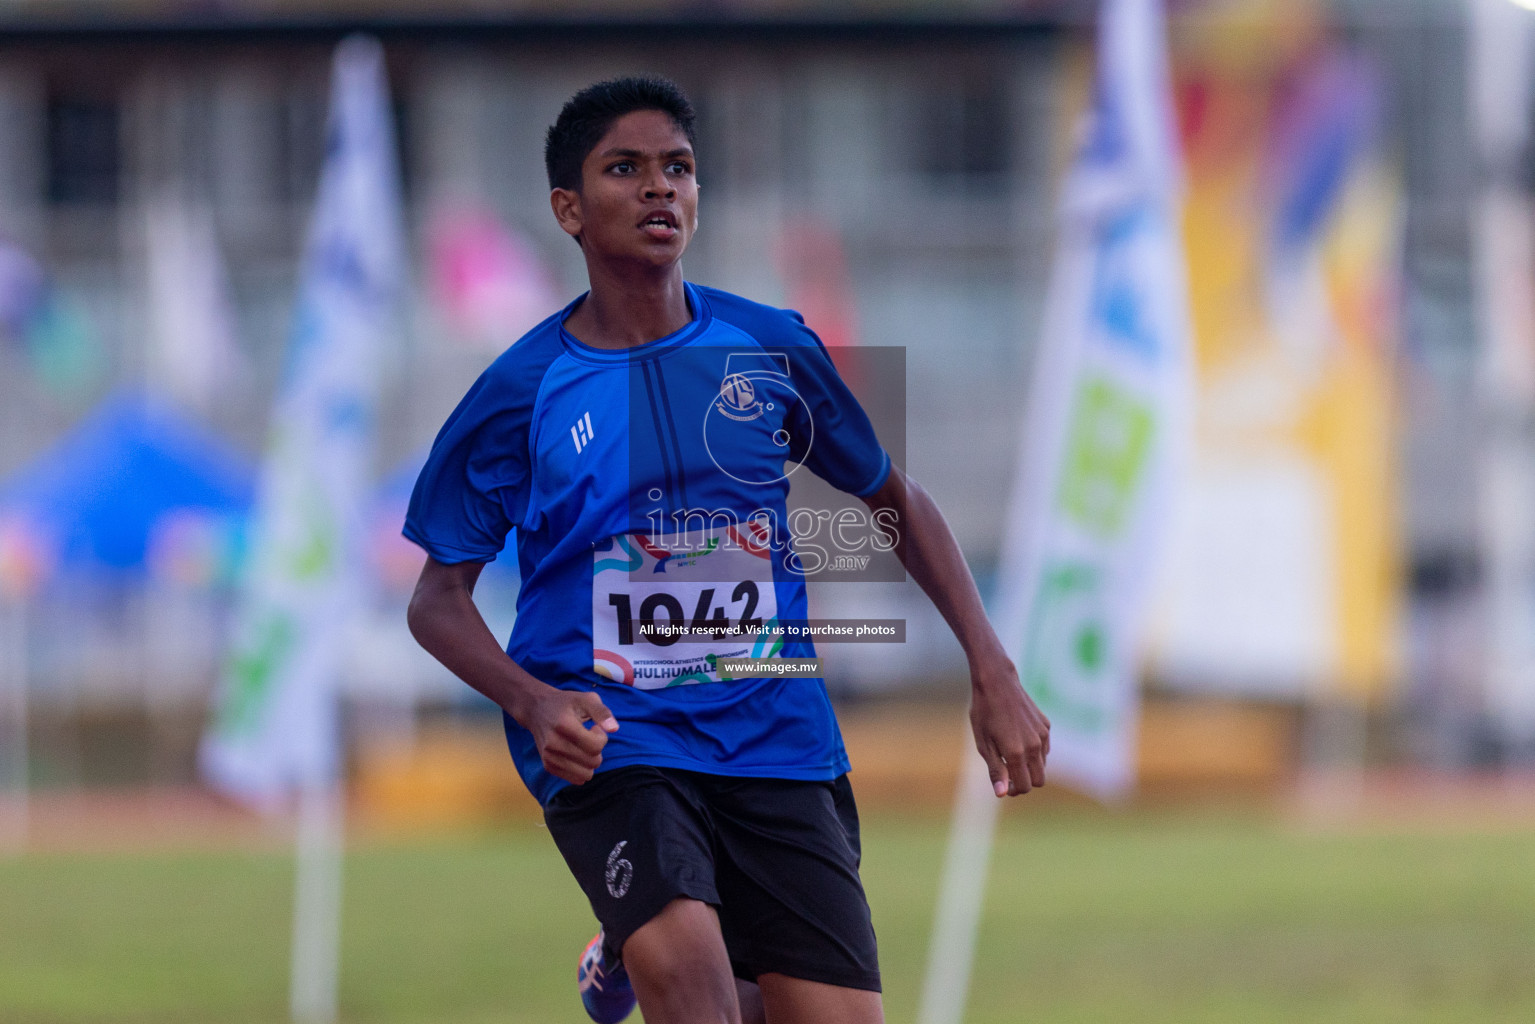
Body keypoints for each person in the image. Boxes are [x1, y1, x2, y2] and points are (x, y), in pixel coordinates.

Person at [404, 76, 1050, 1024]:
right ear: (569, 210)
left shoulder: (769, 346)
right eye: (624, 170)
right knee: (695, 989)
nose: (658, 189)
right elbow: (436, 599)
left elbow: (894, 502)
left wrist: (989, 666)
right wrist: (532, 700)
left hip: (775, 736)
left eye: (679, 169)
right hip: (616, 738)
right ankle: (649, 936)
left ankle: (623, 942)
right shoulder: (522, 389)